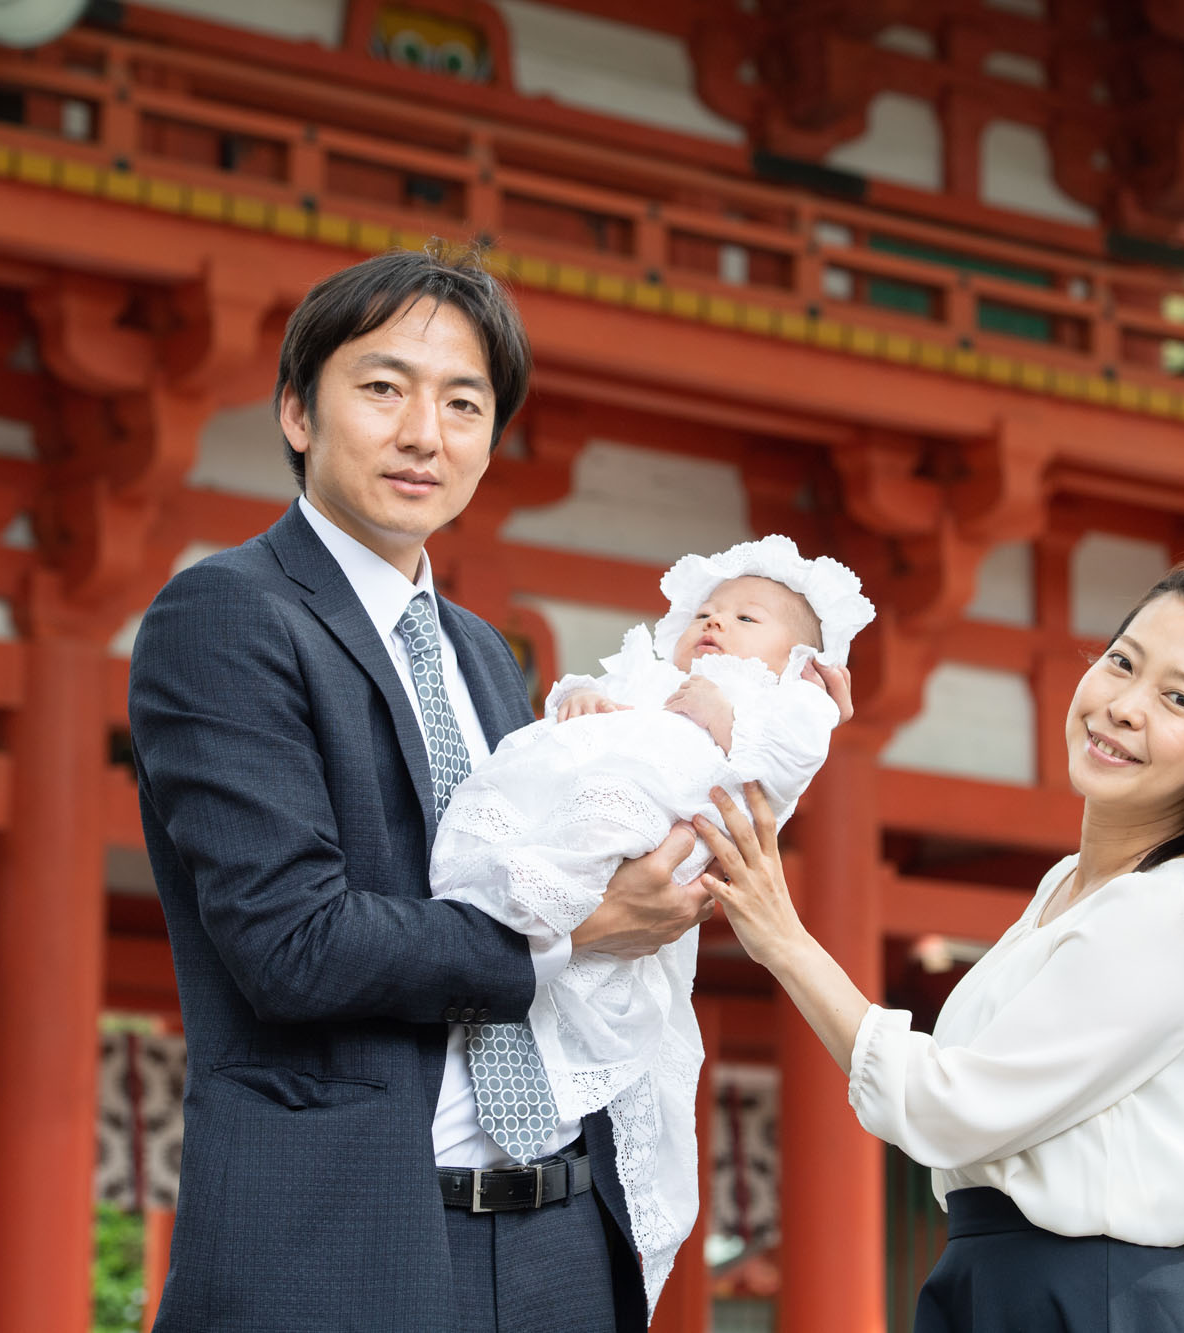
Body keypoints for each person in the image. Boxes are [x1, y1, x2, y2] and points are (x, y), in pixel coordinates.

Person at [128, 246, 847, 1332]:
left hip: (560, 1237)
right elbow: (289, 945)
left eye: (463, 403)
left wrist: (758, 742)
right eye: (381, 388)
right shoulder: (228, 615)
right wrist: (575, 932)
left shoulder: (478, 655)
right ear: (295, 413)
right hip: (349, 1247)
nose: (425, 433)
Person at [695, 561, 1184, 1331]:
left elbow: (948, 1106)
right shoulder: (1071, 885)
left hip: (1086, 1298)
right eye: (1123, 662)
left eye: (1178, 698)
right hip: (1005, 1281)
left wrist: (788, 943)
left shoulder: (1172, 910)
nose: (1124, 706)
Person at [430, 535, 874, 1307]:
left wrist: (733, 721)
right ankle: (507, 895)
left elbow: (789, 761)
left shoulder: (784, 699)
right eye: (705, 611)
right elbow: (579, 718)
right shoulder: (648, 675)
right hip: (573, 797)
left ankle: (530, 916)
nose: (716, 623)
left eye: (746, 616)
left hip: (657, 823)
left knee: (597, 997)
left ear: (800, 657)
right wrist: (585, 706)